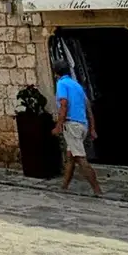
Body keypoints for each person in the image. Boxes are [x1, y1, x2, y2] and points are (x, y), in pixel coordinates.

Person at [52, 61, 103, 197]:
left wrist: (58, 125)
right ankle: (64, 186)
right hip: (82, 124)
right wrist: (92, 128)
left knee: (80, 158)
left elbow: (64, 104)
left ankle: (97, 189)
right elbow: (88, 107)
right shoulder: (77, 85)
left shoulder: (61, 84)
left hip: (72, 125)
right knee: (70, 157)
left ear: (56, 73)